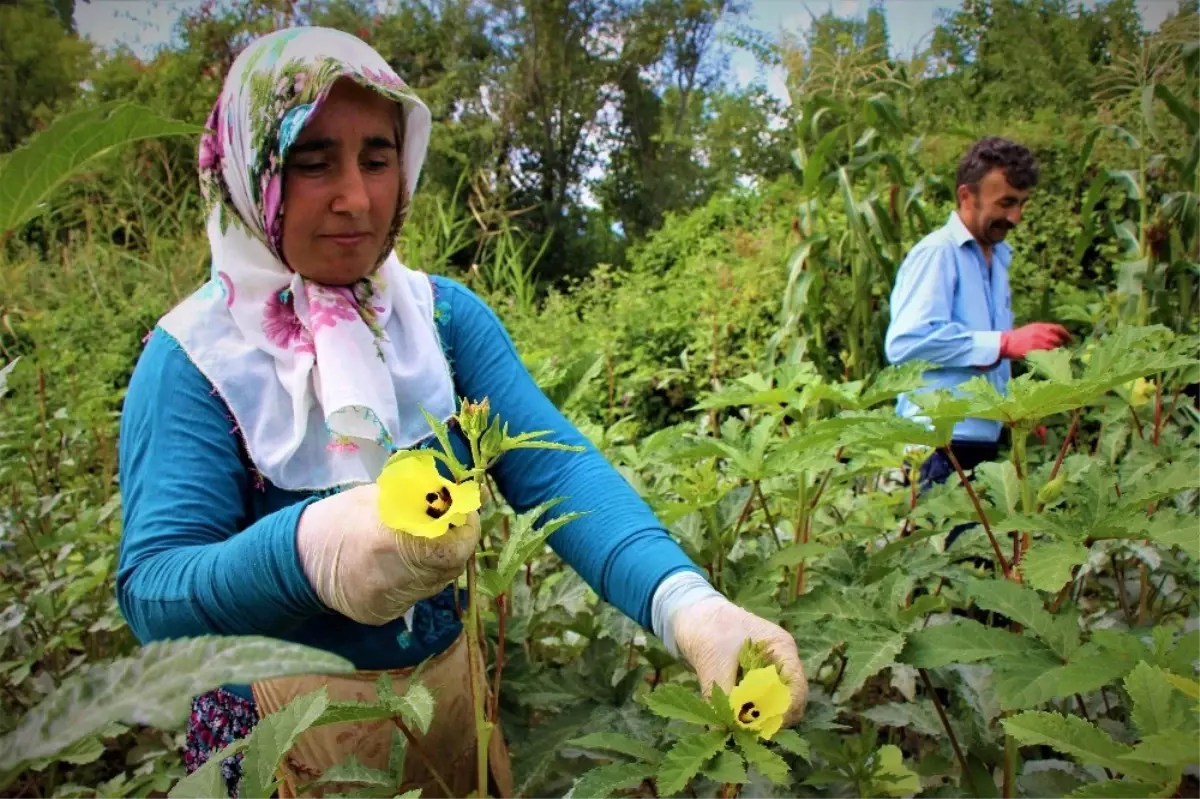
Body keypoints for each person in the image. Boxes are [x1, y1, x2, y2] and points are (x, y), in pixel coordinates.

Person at [115, 26, 806, 799]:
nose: (357, 197)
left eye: (377, 158)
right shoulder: (195, 360)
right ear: (251, 171)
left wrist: (689, 605)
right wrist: (308, 552)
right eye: (312, 163)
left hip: (445, 709)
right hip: (280, 739)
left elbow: (556, 469)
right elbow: (155, 594)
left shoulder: (438, 321)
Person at [885, 137, 1071, 503]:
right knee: (949, 557)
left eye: (1021, 204)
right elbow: (905, 343)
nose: (1015, 217)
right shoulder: (938, 254)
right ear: (967, 196)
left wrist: (1019, 414)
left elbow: (977, 360)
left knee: (983, 559)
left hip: (980, 442)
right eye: (1005, 203)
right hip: (937, 446)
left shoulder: (998, 256)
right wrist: (1005, 342)